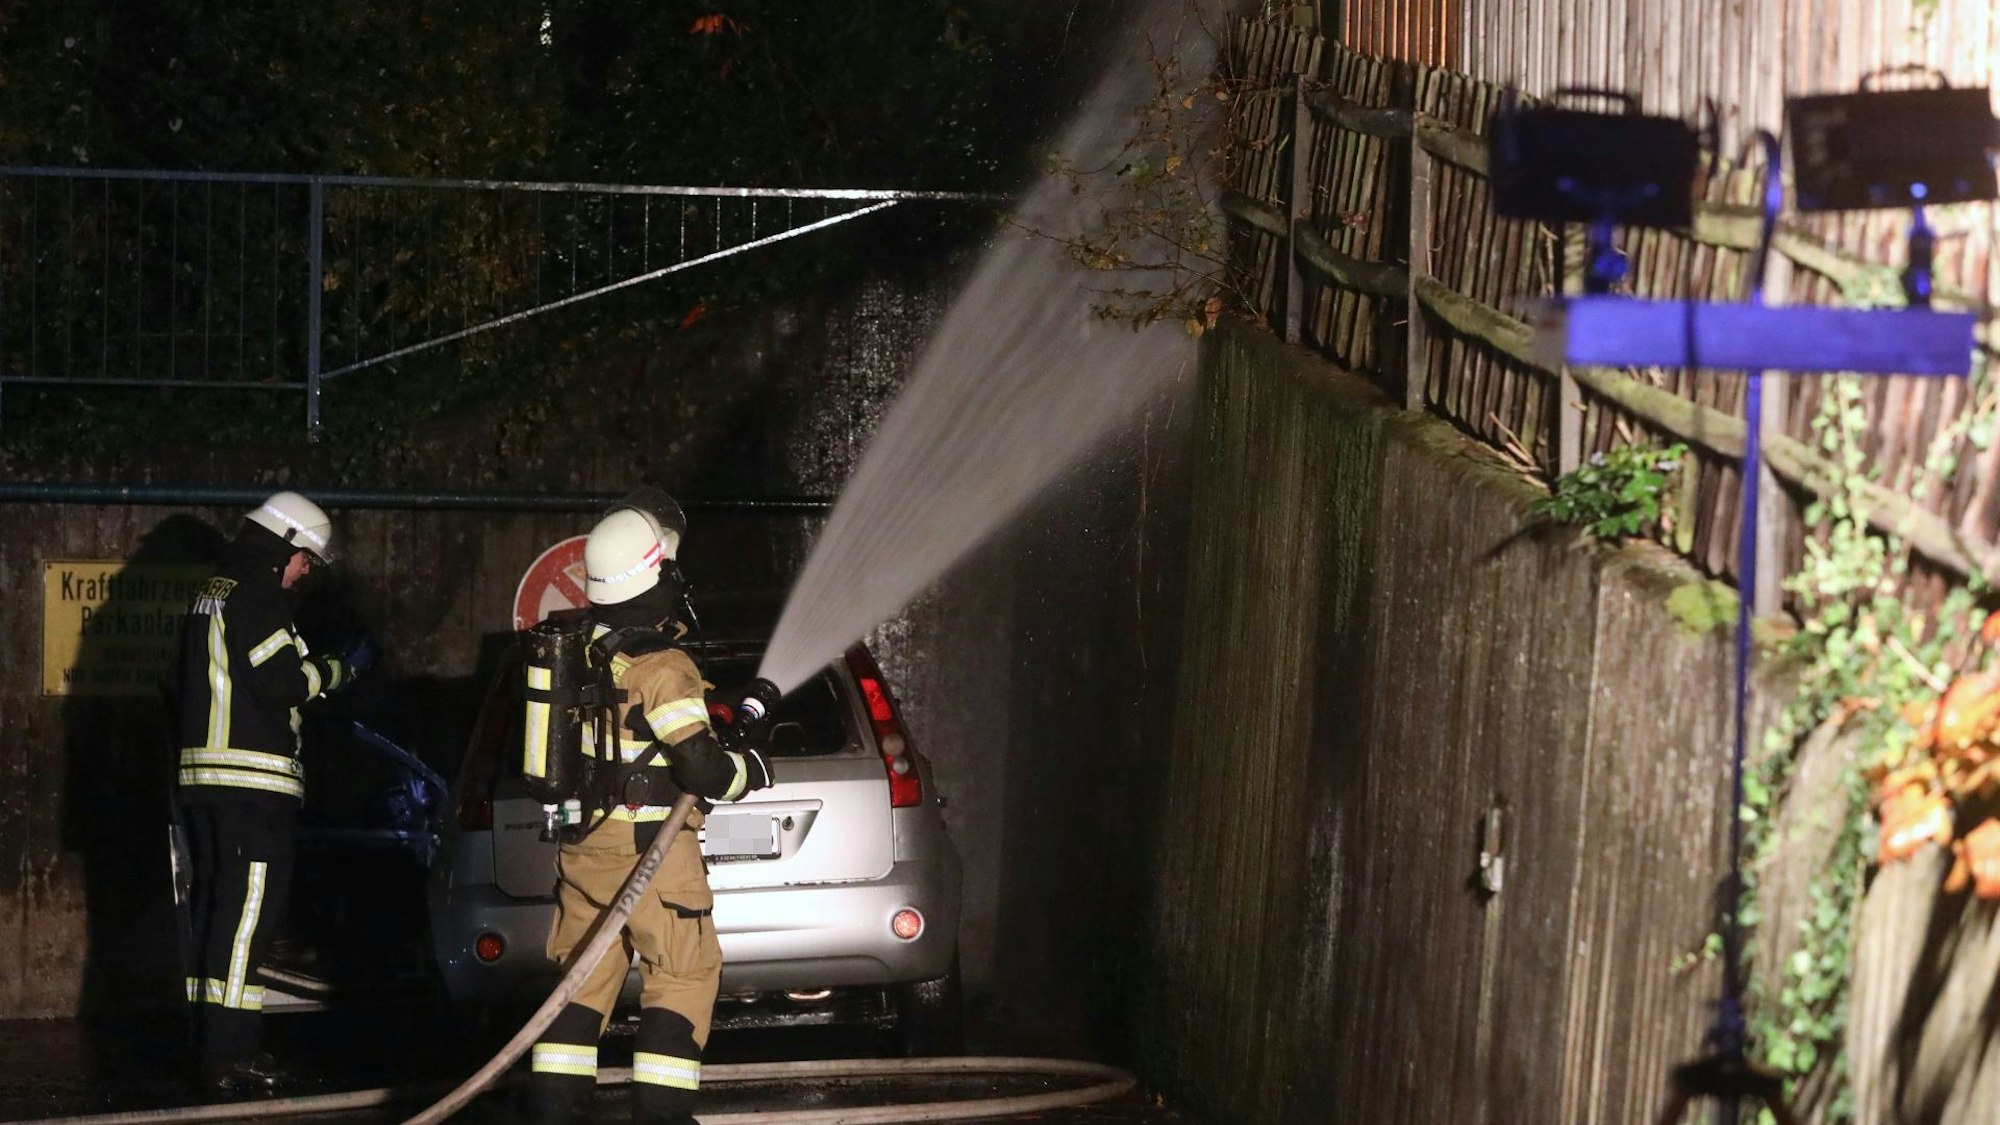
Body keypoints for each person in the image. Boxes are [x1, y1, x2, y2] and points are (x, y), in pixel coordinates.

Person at [526, 496, 773, 1125]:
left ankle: (557, 1115)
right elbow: (701, 769)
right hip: (653, 854)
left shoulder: (578, 649)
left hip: (585, 850)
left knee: (580, 980)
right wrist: (752, 770)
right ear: (654, 577)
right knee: (684, 974)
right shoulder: (663, 665)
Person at [173, 491, 374, 1094]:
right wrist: (342, 671)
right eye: (305, 558)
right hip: (252, 784)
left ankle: (205, 1045)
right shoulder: (260, 598)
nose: (306, 570)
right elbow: (283, 682)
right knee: (247, 919)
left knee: (213, 914)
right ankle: (232, 1055)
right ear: (282, 546)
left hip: (204, 781)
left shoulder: (213, 590)